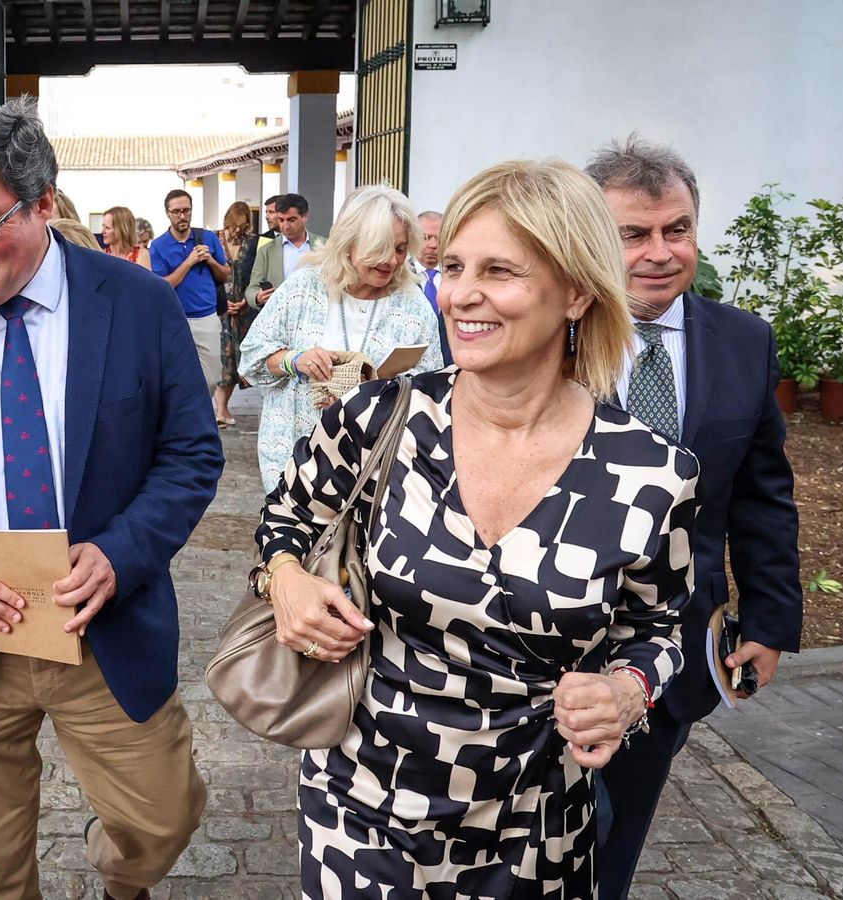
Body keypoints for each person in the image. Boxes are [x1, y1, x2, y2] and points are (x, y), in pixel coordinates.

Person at [251, 158, 700, 899]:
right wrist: (287, 581)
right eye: (454, 265)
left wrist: (627, 690)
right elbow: (286, 521)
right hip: (360, 804)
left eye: (500, 270)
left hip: (534, 831)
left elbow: (661, 628)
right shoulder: (379, 419)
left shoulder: (650, 474)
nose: (461, 294)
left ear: (578, 291)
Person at [0, 97, 222, 899]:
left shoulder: (137, 303)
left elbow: (192, 453)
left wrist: (121, 554)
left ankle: (115, 869)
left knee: (161, 820)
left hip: (102, 625)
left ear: (45, 204)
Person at [589, 136, 803, 900]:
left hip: (675, 649)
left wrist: (770, 622)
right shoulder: (547, 336)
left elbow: (762, 492)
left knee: (615, 844)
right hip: (540, 647)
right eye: (633, 234)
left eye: (675, 229)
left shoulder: (744, 341)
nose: (659, 252)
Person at [238, 184, 445, 493]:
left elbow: (432, 390)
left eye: (400, 248)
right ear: (349, 243)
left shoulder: (413, 304)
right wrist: (295, 360)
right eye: (379, 248)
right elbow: (252, 359)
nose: (390, 260)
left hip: (376, 469)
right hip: (296, 461)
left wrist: (374, 393)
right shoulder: (305, 287)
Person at [151, 188, 232, 391]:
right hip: (175, 318)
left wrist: (210, 260)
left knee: (212, 377)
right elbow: (163, 285)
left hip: (207, 317)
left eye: (186, 210)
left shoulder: (207, 238)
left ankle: (201, 414)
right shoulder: (159, 246)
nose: (182, 216)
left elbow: (226, 274)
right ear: (168, 213)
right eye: (176, 211)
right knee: (176, 376)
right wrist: (189, 262)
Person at [215, 200, 258, 426]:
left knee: (237, 359)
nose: (237, 231)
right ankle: (221, 410)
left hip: (244, 309)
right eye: (233, 226)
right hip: (220, 308)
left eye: (242, 227)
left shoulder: (254, 243)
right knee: (223, 358)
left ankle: (224, 408)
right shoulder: (215, 241)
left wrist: (245, 302)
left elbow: (256, 274)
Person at [245, 193, 327, 310]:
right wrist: (258, 297)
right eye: (281, 220)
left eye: (291, 220)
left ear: (305, 217)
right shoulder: (266, 251)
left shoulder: (324, 246)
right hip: (279, 315)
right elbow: (252, 288)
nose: (285, 226)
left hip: (315, 314)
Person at [416, 209, 454, 363]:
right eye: (426, 238)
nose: (432, 245)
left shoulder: (456, 275)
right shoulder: (398, 278)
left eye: (438, 239)